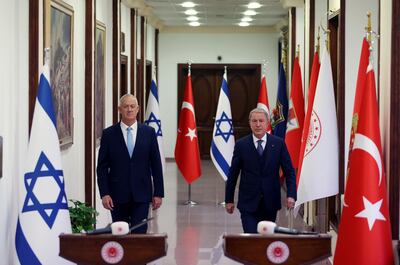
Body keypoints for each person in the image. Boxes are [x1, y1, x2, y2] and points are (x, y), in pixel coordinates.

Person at [97, 94, 164, 233]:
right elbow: (102, 167)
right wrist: (104, 193)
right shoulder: (109, 134)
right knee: (120, 233)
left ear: (138, 109)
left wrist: (158, 192)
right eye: (126, 106)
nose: (129, 109)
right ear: (119, 109)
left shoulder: (149, 133)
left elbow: (156, 164)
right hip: (117, 195)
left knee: (139, 234)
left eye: (132, 106)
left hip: (142, 194)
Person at [225, 108, 296, 233]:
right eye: (254, 121)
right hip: (248, 203)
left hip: (270, 202)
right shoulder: (241, 145)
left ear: (267, 123)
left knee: (266, 241)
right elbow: (233, 174)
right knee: (251, 239)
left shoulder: (278, 144)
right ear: (250, 123)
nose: (258, 124)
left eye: (261, 121)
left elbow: (289, 171)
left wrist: (291, 195)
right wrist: (229, 199)